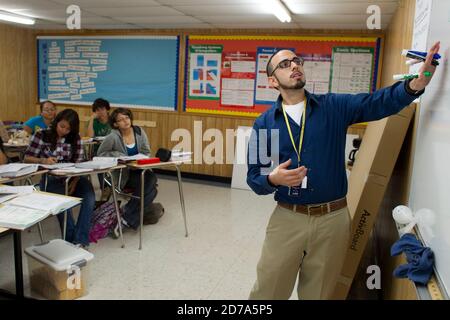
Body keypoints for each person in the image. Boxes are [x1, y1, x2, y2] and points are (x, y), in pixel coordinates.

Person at [247, 42, 440, 300]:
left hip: (332, 220)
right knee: (268, 291)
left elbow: (377, 103)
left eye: (297, 61)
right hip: (287, 219)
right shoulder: (265, 123)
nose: (294, 65)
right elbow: (254, 177)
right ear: (272, 81)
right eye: (284, 64)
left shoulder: (332, 107)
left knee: (320, 294)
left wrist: (416, 84)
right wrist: (273, 179)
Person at [24, 109, 95, 248]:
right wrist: (43, 161)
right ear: (56, 122)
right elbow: (26, 158)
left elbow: (79, 163)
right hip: (52, 178)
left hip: (73, 177)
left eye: (69, 129)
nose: (64, 131)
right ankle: (71, 240)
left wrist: (74, 181)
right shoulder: (41, 135)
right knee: (63, 203)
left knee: (90, 196)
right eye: (62, 126)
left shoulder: (75, 138)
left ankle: (80, 240)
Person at [97, 108, 162, 236]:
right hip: (123, 175)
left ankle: (126, 217)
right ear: (115, 124)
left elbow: (146, 151)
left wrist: (138, 159)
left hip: (138, 169)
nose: (125, 121)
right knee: (152, 188)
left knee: (150, 179)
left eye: (127, 117)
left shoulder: (139, 131)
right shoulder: (113, 137)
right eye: (121, 120)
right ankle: (128, 217)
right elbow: (100, 154)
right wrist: (119, 155)